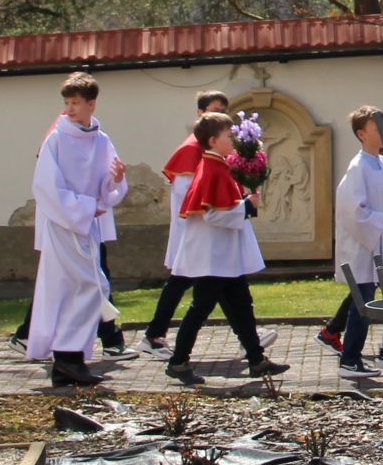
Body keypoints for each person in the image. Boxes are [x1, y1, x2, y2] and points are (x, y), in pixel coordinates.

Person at [165, 110, 290, 384]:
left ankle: (256, 359)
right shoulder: (211, 168)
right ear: (213, 140)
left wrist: (245, 203)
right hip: (212, 256)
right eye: (228, 135)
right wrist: (246, 206)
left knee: (242, 305)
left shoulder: (219, 166)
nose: (233, 140)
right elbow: (212, 215)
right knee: (201, 307)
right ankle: (178, 362)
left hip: (223, 255)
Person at [26, 73, 129, 388]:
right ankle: (68, 357)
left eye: (75, 103)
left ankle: (68, 362)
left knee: (89, 288)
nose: (69, 109)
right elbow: (46, 187)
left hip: (86, 227)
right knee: (84, 288)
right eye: (67, 103)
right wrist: (84, 207)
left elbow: (107, 184)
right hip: (63, 226)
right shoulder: (56, 140)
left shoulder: (102, 141)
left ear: (91, 104)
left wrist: (115, 180)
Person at [144, 88, 234, 354]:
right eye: (214, 110)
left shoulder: (216, 147)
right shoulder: (191, 150)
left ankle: (248, 340)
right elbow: (187, 196)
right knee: (193, 283)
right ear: (200, 113)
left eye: (223, 111)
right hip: (195, 229)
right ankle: (155, 337)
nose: (220, 115)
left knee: (222, 282)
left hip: (209, 229)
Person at [333, 106, 383, 381]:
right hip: (365, 247)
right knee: (364, 302)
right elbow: (351, 210)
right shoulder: (358, 167)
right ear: (361, 134)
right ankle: (350, 359)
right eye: (377, 128)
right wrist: (382, 220)